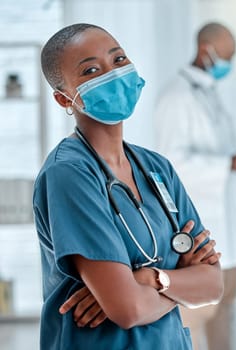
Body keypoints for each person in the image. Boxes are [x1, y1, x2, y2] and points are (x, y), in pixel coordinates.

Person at [33, 23, 223, 350]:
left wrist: (149, 280)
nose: (112, 74)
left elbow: (212, 285)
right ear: (64, 97)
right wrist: (177, 283)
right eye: (91, 70)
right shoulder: (70, 174)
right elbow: (128, 309)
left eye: (119, 60)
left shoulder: (156, 168)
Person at [154, 22, 236, 350]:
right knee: (196, 320)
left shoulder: (208, 93)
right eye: (226, 56)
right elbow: (172, 164)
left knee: (225, 314)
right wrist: (230, 163)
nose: (228, 64)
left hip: (228, 234)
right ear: (206, 50)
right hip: (201, 234)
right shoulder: (176, 96)